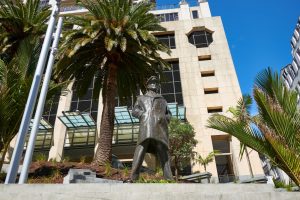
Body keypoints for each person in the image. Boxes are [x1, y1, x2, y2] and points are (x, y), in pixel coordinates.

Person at [131, 76, 173, 180]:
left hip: (160, 127)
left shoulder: (163, 100)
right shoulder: (141, 98)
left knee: (164, 151)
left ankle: (168, 178)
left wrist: (164, 118)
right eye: (152, 82)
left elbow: (169, 114)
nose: (154, 84)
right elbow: (134, 111)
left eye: (156, 82)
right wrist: (143, 115)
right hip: (147, 125)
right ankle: (133, 177)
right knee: (141, 148)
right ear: (148, 85)